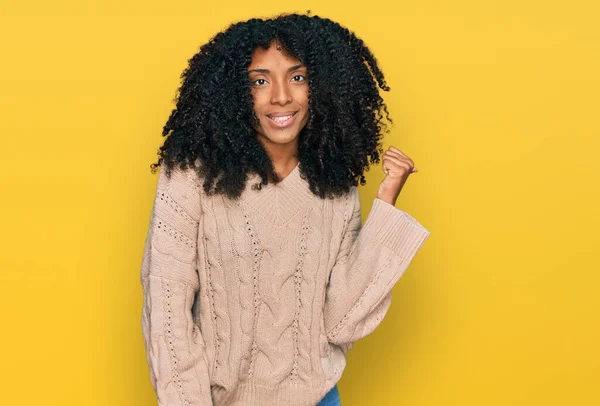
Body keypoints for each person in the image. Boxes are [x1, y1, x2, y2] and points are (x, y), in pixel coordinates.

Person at [140, 11, 431, 406]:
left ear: (321, 86)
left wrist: (386, 204)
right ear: (233, 93)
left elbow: (341, 321)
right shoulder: (190, 177)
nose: (281, 95)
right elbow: (166, 311)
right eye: (259, 81)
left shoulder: (334, 187)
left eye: (298, 77)